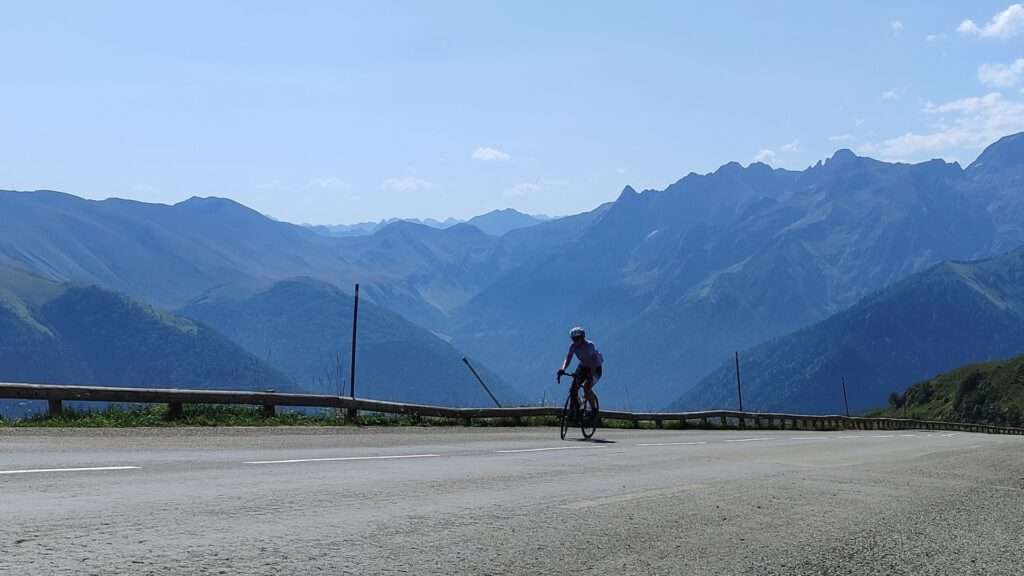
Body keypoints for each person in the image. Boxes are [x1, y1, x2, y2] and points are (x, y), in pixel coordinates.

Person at [558, 326, 603, 407]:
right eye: (573, 339)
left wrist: (591, 376)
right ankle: (576, 408)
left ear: (582, 337)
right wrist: (562, 368)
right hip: (583, 367)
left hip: (595, 368)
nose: (575, 341)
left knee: (586, 387)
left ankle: (593, 410)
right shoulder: (573, 346)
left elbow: (593, 361)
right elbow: (568, 358)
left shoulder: (589, 345)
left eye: (577, 338)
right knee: (573, 390)